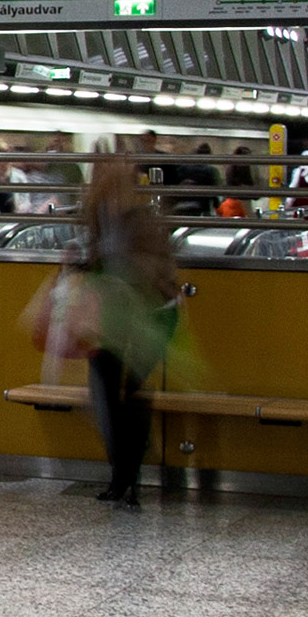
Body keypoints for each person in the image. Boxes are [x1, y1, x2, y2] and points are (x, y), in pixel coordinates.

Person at [74, 158, 181, 508]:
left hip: (152, 317)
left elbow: (157, 271)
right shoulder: (96, 217)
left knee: (130, 390)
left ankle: (127, 472)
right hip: (115, 317)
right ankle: (123, 469)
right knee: (106, 391)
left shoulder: (142, 220)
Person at [170, 142, 220, 217]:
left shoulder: (182, 168)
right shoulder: (210, 170)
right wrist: (218, 207)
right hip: (201, 209)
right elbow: (214, 194)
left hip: (181, 207)